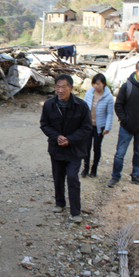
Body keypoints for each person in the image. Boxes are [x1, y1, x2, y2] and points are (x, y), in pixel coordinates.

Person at [40, 74, 92, 223]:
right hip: (56, 148)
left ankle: (76, 211)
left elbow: (86, 127)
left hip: (74, 150)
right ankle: (60, 203)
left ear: (71, 88)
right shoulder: (49, 104)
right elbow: (44, 124)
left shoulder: (81, 105)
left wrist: (70, 139)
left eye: (63, 86)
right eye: (58, 86)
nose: (60, 90)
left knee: (72, 177)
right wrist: (57, 137)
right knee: (58, 177)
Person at [107, 59, 139, 188]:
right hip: (127, 128)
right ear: (137, 71)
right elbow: (118, 105)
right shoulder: (127, 87)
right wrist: (125, 119)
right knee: (120, 153)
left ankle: (135, 175)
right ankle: (115, 177)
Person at [81, 73, 114, 178]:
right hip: (88, 125)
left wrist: (107, 127)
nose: (96, 86)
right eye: (94, 84)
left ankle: (94, 169)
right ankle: (85, 168)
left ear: (104, 84)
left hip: (100, 127)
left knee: (97, 148)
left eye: (98, 84)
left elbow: (110, 113)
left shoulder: (108, 97)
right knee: (86, 147)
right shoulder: (89, 93)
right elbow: (84, 109)